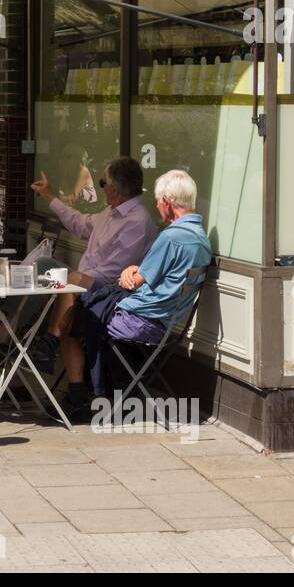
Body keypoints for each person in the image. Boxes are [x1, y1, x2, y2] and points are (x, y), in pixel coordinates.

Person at [73, 169, 212, 413]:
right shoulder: (199, 236)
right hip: (167, 320)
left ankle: (92, 395)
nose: (157, 207)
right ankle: (110, 393)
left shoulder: (172, 237)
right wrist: (136, 269)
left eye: (158, 202)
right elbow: (154, 272)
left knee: (83, 316)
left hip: (143, 319)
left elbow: (132, 282)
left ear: (168, 202)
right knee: (90, 306)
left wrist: (131, 271)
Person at [28, 156, 157, 411]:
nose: (101, 187)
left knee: (70, 284)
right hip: (90, 285)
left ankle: (42, 341)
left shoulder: (137, 221)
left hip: (116, 292)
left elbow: (114, 271)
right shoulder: (109, 213)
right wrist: (50, 197)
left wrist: (78, 279)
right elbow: (79, 223)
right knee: (61, 293)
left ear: (115, 189)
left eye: (102, 182)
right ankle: (75, 392)